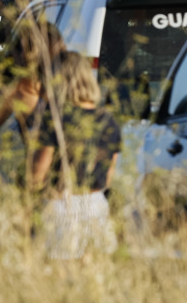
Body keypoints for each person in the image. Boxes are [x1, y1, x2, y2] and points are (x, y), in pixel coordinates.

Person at [31, 51, 122, 259]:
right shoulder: (109, 120)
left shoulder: (55, 119)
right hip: (97, 204)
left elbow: (37, 175)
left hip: (61, 204)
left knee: (61, 276)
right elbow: (108, 177)